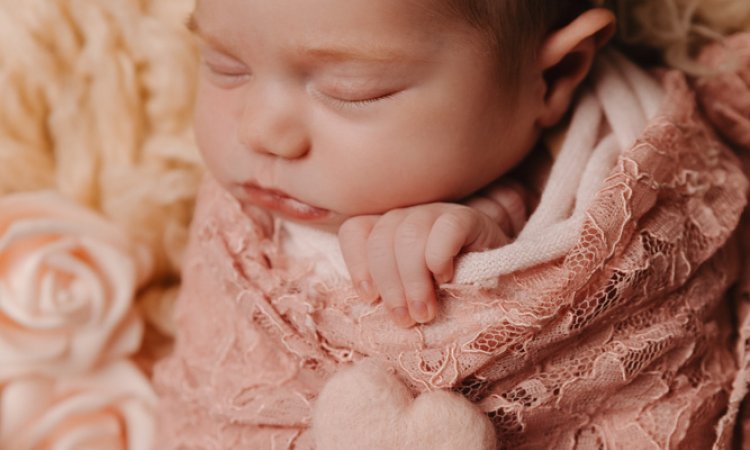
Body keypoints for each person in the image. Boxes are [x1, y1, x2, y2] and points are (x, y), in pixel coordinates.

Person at [155, 0, 750, 448]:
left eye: (355, 91)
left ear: (558, 74)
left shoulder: (627, 177)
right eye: (225, 67)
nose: (259, 131)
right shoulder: (244, 221)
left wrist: (493, 227)